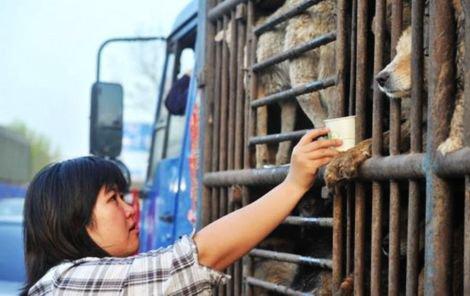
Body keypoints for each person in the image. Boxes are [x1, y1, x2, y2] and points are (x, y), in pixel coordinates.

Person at [21, 128, 341, 295]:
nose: (131, 209)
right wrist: (293, 184)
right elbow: (195, 260)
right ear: (75, 221)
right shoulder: (70, 283)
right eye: (113, 199)